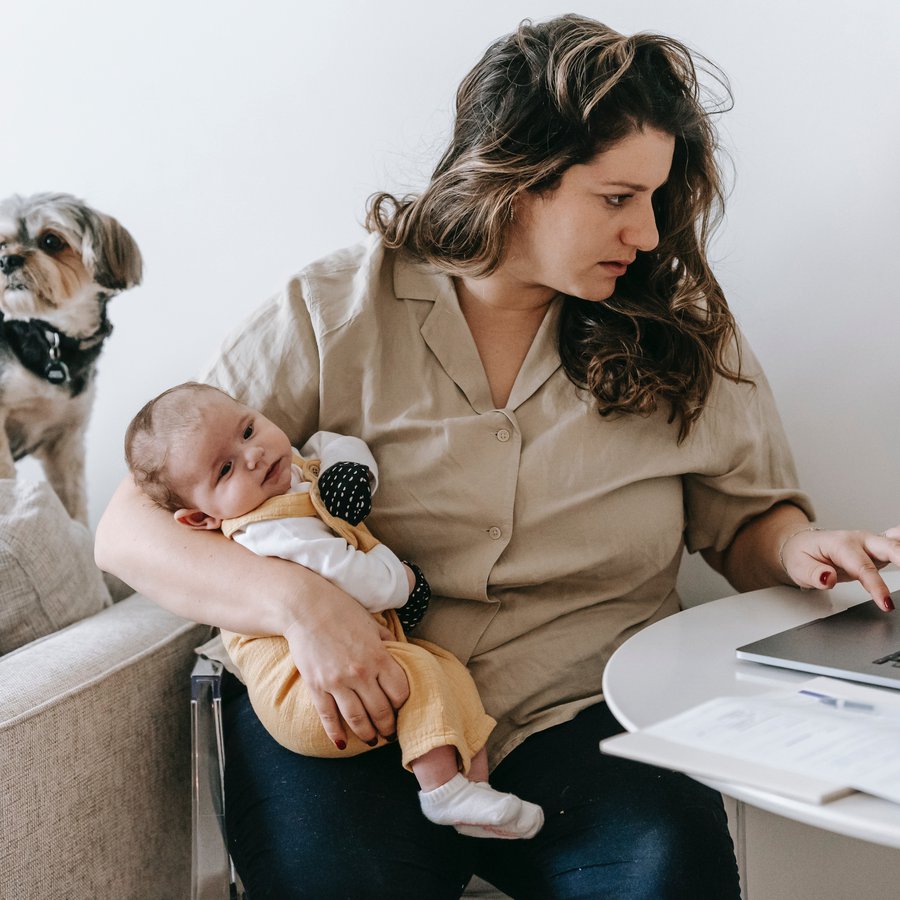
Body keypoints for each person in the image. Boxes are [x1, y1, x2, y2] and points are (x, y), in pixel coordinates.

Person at [96, 14, 900, 899]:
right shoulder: (332, 310)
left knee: (670, 879)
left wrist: (795, 551)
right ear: (518, 177)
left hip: (587, 714)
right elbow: (129, 531)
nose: (646, 234)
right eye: (617, 198)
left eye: (655, 199)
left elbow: (746, 517)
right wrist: (298, 602)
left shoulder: (679, 332)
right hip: (354, 710)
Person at [123, 381, 543, 840]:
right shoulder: (266, 530)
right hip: (306, 695)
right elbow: (353, 576)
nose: (254, 456)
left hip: (355, 662)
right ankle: (440, 790)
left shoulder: (292, 470)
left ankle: (474, 792)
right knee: (422, 673)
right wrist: (404, 582)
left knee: (449, 672)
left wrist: (350, 471)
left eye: (248, 430)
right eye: (225, 469)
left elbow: (331, 443)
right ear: (201, 519)